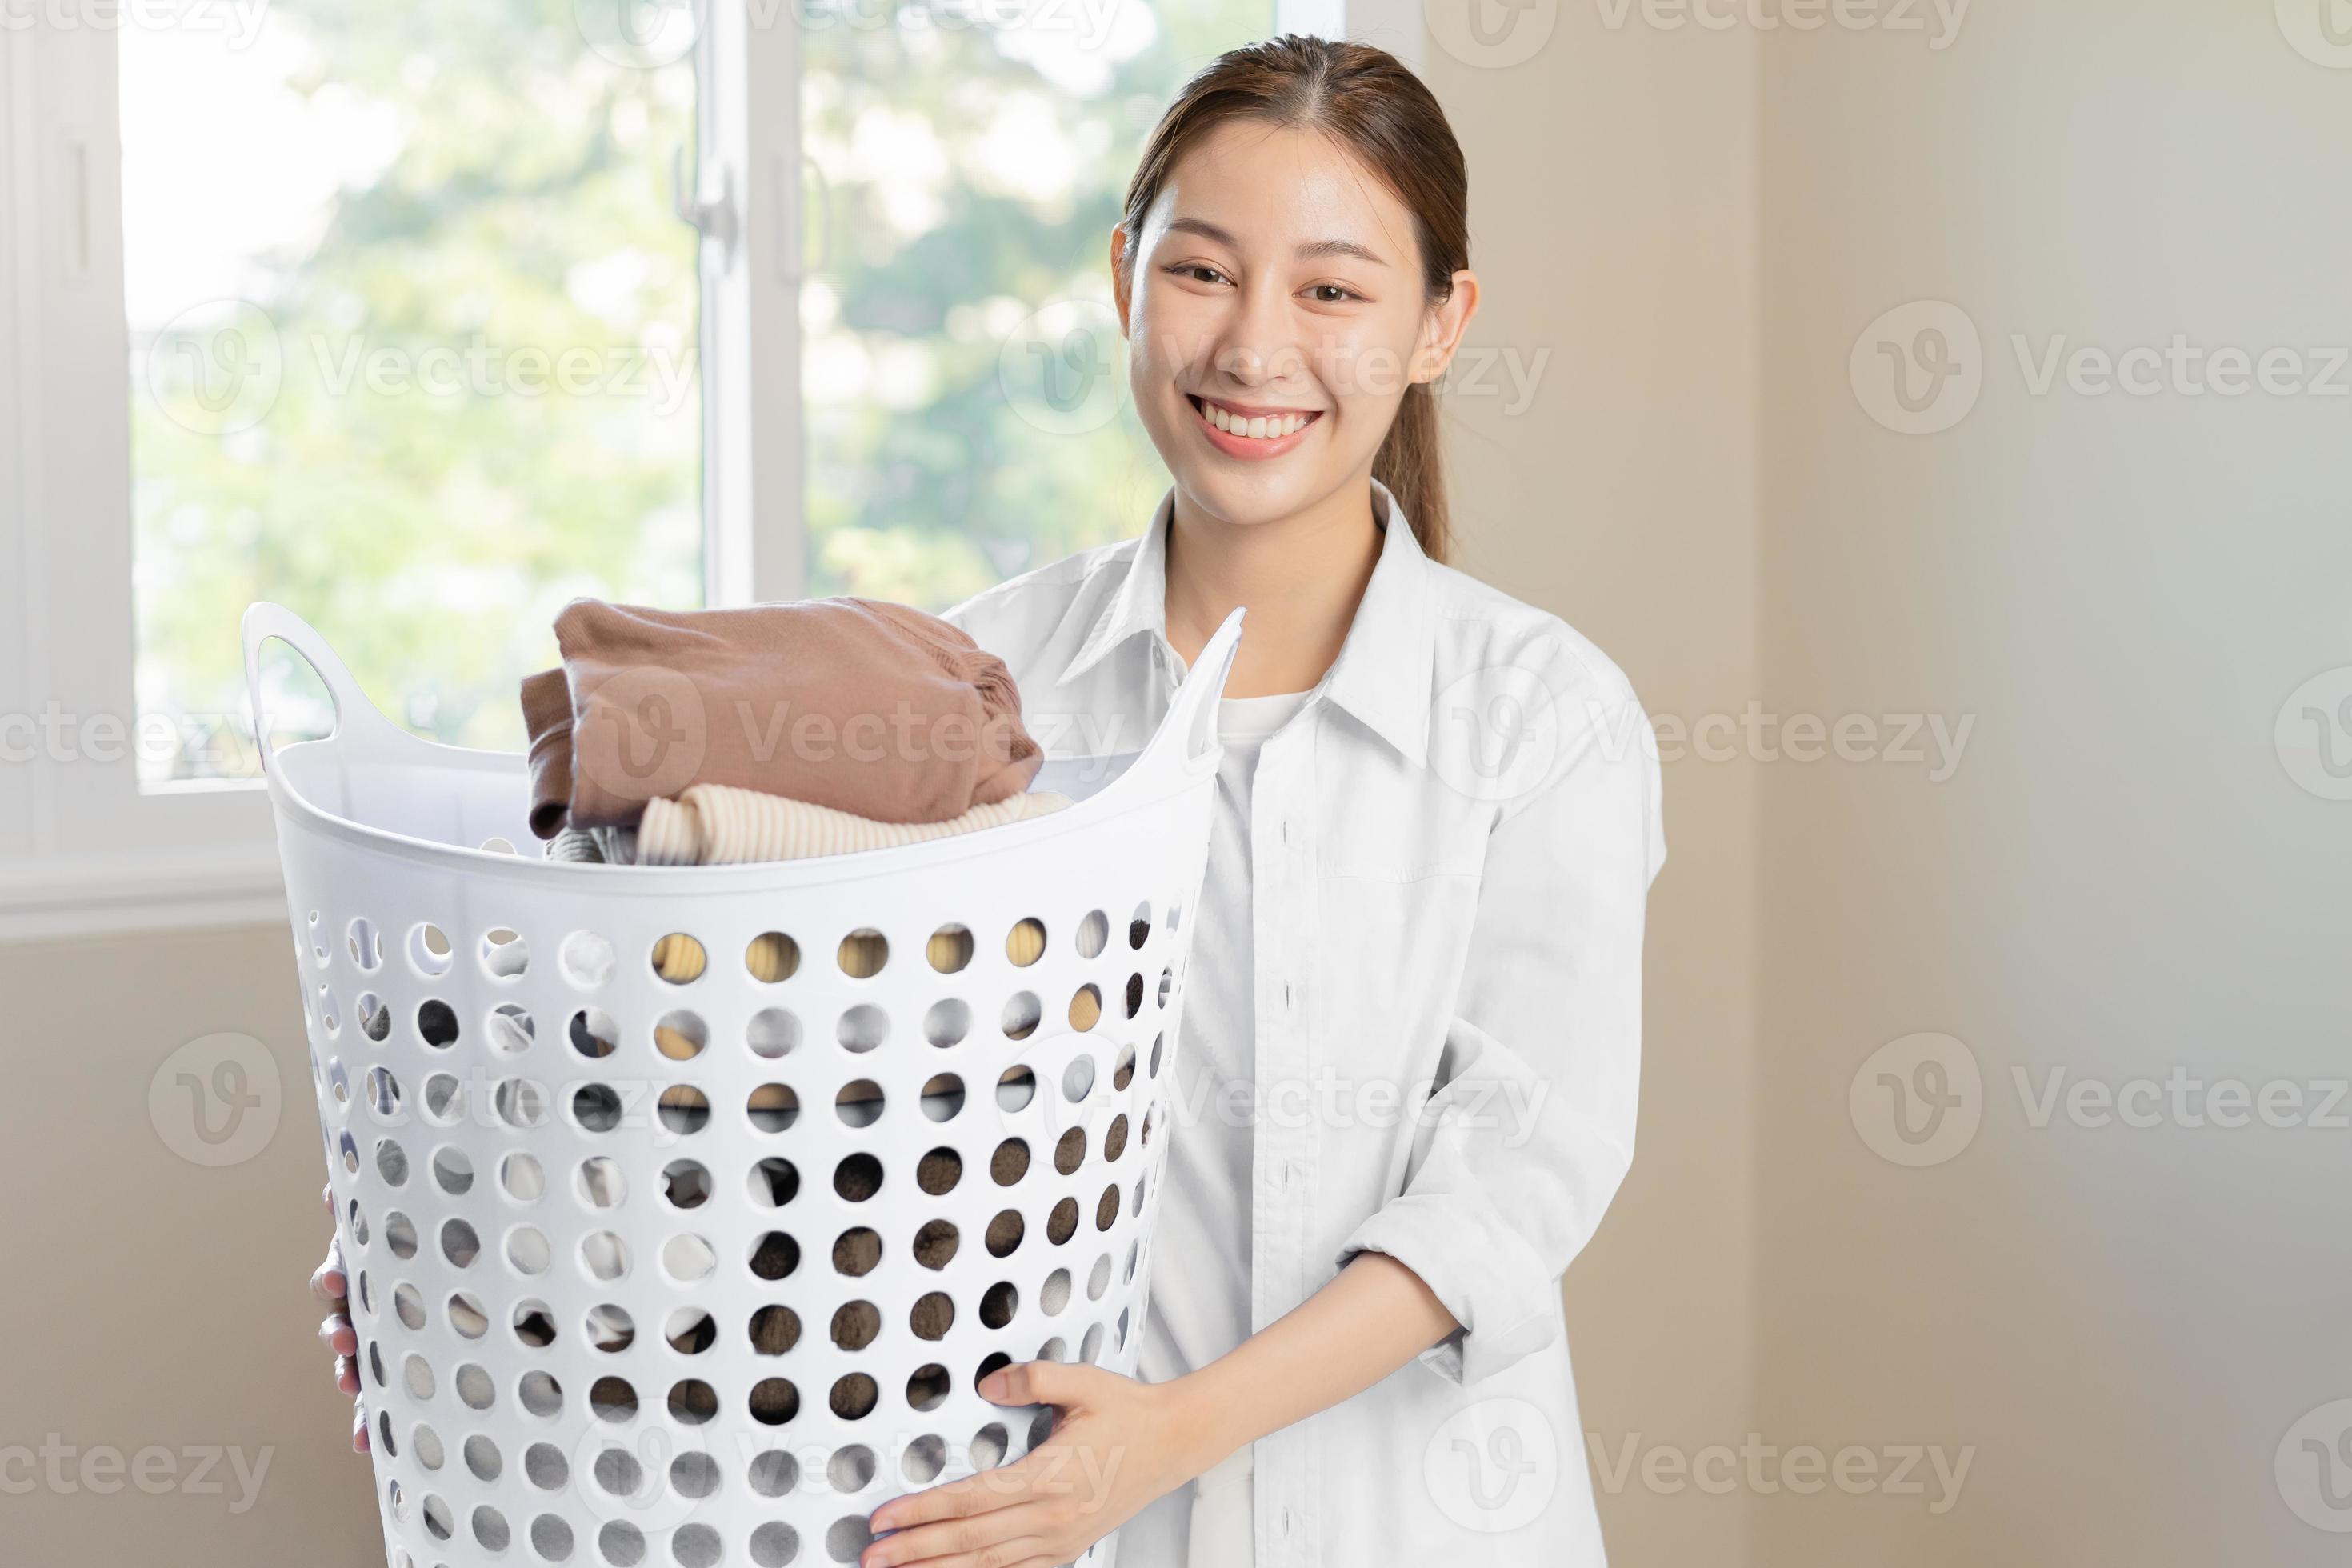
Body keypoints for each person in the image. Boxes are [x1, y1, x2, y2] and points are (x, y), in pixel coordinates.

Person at [310, 33, 1665, 1568]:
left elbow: (1510, 1190)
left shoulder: (1542, 722)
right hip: (1052, 1528)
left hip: (1427, 1525)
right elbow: (777, 1084)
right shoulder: (973, 691)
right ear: (1122, 278)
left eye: (1334, 291)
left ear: (1439, 326)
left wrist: (1169, 1438)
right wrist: (476, 1249)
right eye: (1203, 272)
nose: (1252, 348)